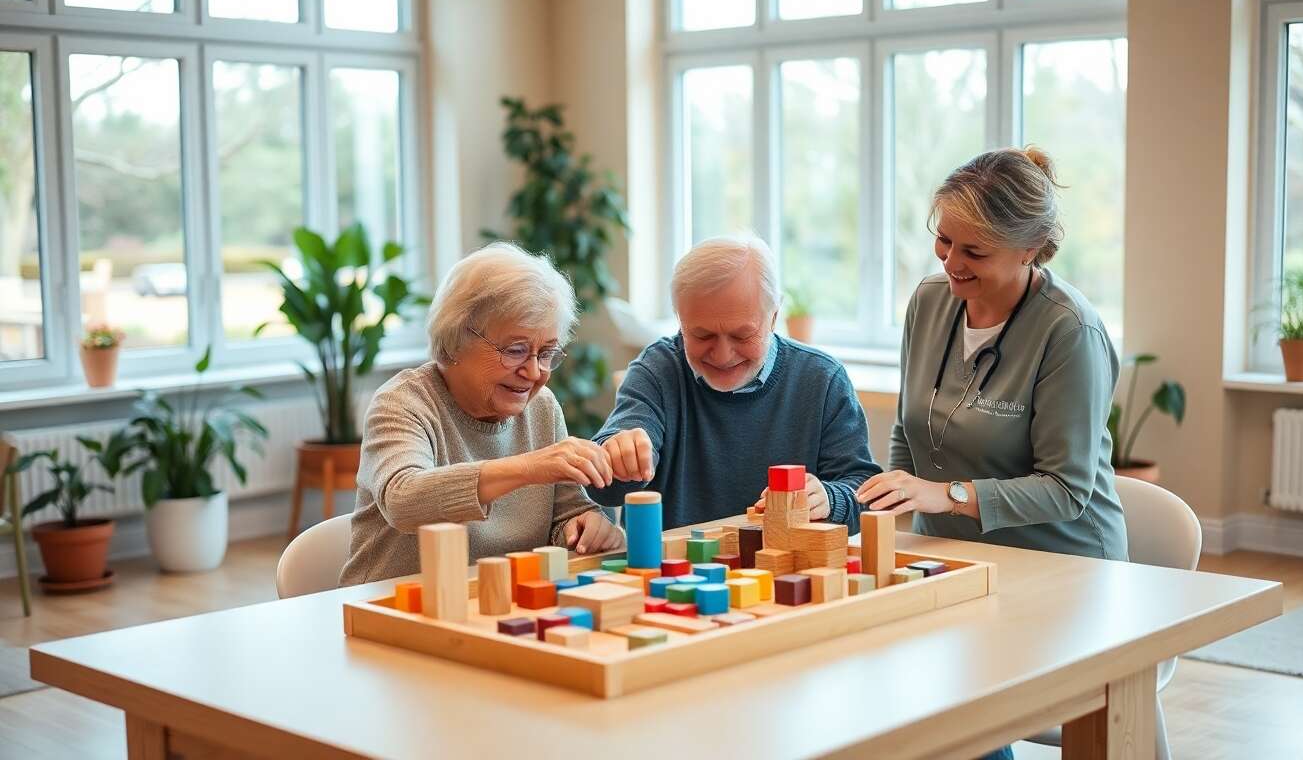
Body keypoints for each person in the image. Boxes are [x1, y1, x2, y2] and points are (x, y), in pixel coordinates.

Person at [857, 146, 1128, 561]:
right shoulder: (929, 302)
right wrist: (890, 506)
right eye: (944, 240)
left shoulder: (1070, 330)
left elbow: (1065, 490)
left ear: (1030, 248)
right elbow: (908, 433)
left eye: (974, 252)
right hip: (945, 552)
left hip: (1058, 560)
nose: (951, 262)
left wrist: (946, 496)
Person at [340, 243, 624, 586]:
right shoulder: (404, 403)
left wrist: (585, 527)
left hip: (497, 608)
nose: (534, 372)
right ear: (457, 339)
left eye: (546, 353)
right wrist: (528, 468)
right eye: (516, 350)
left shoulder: (542, 407)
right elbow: (403, 500)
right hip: (391, 609)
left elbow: (567, 515)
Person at [589, 235, 881, 530]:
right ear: (680, 320)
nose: (723, 355)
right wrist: (619, 457)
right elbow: (605, 488)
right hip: (672, 572)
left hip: (788, 569)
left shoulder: (822, 380)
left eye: (742, 335)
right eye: (702, 336)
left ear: (774, 317)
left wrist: (829, 499)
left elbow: (866, 497)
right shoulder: (657, 371)